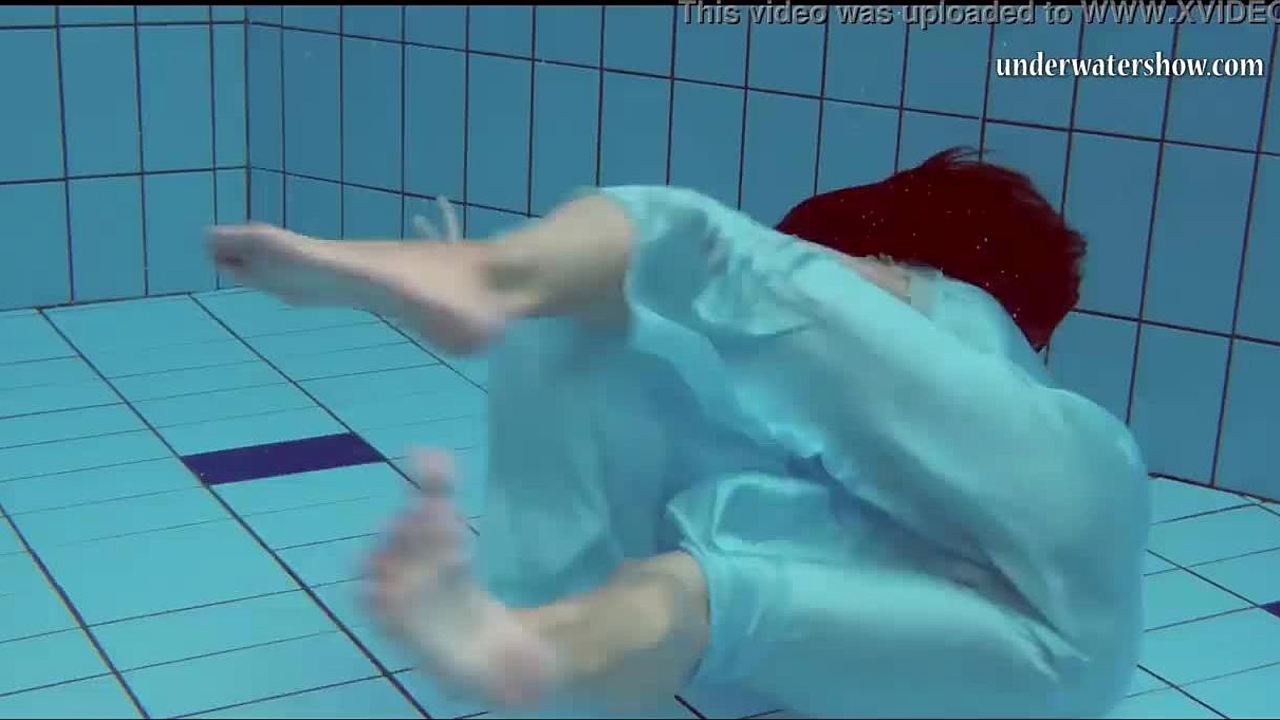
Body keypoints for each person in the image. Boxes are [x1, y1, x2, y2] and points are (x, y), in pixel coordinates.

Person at [207, 148, 1151, 718]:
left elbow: (748, 277)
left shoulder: (952, 324)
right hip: (1040, 661)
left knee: (705, 257)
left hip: (1053, 553)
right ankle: (520, 646)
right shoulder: (822, 431)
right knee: (703, 590)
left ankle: (491, 276)